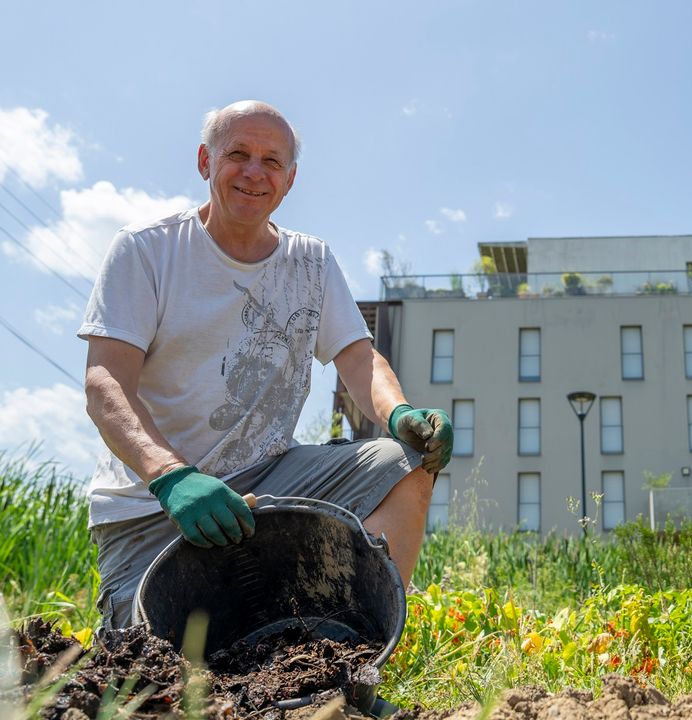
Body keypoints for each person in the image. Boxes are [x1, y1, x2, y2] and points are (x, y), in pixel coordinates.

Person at [78, 100, 453, 629]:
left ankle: (356, 658)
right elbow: (105, 382)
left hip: (272, 479)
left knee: (404, 463)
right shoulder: (146, 250)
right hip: (152, 508)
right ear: (205, 161)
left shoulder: (311, 262)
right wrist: (170, 477)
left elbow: (359, 359)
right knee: (157, 672)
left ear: (290, 178)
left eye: (272, 162)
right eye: (238, 154)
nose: (254, 173)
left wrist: (400, 415)